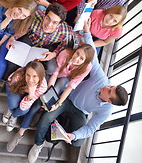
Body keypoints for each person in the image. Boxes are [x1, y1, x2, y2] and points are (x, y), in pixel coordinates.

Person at [27, 21, 128, 163]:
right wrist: (87, 33)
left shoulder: (106, 110)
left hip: (80, 111)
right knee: (46, 119)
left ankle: (64, 128)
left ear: (109, 101)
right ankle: (38, 144)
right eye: (111, 86)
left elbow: (90, 128)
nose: (107, 86)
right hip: (67, 98)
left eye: (109, 91)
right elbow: (92, 56)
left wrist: (73, 136)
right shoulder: (103, 80)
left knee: (78, 142)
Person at [0, 0, 37, 107]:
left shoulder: (22, 20)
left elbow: (9, 33)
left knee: (2, 64)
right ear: (17, 3)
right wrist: (10, 18)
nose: (19, 15)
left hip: (6, 37)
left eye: (24, 15)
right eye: (20, 10)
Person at [1, 3, 73, 84]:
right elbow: (25, 29)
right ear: (44, 15)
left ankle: (28, 81)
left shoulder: (66, 32)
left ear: (59, 24)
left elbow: (63, 45)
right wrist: (13, 38)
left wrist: (54, 54)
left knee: (51, 68)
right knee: (14, 59)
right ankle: (5, 80)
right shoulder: (36, 15)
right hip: (31, 39)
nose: (49, 24)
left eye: (54, 22)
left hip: (46, 47)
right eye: (48, 18)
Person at [3, 61, 47, 132]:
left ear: (40, 76)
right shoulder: (18, 76)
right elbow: (12, 88)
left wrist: (31, 95)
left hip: (26, 92)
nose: (30, 80)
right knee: (13, 104)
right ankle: (10, 109)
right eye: (28, 75)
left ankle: (14, 116)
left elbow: (24, 107)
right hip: (14, 86)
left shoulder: (43, 86)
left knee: (24, 110)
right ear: (25, 73)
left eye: (34, 76)